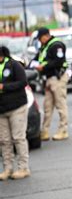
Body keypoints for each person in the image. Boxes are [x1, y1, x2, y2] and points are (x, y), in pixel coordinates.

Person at [32, 27, 69, 141]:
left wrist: (43, 66)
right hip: (48, 79)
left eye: (40, 38)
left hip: (57, 78)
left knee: (60, 105)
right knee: (47, 106)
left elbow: (59, 61)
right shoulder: (44, 47)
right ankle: (45, 131)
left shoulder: (56, 45)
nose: (39, 41)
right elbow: (36, 60)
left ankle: (63, 130)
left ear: (45, 36)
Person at [0, 46, 30, 180]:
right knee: (4, 141)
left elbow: (23, 82)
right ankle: (7, 169)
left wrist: (4, 87)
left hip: (17, 107)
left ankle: (23, 168)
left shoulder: (14, 65)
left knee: (18, 138)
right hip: (1, 110)